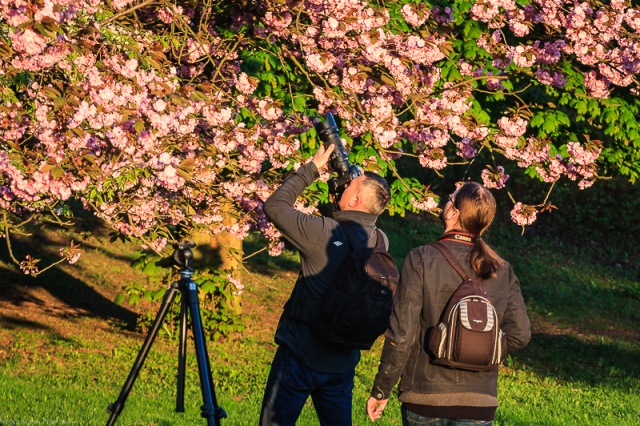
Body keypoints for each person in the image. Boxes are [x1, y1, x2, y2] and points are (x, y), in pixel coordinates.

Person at [366, 182, 531, 426]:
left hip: (424, 394)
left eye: (449, 198)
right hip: (480, 399)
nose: (445, 202)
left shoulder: (422, 258)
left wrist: (382, 388)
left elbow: (402, 333)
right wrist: (481, 346)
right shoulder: (502, 269)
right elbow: (520, 335)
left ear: (453, 213)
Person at [260, 143, 392, 426]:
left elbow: (274, 206)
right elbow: (349, 228)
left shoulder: (323, 232)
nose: (342, 186)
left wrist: (312, 169)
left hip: (299, 355)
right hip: (342, 363)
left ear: (355, 201)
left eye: (348, 186)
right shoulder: (381, 241)